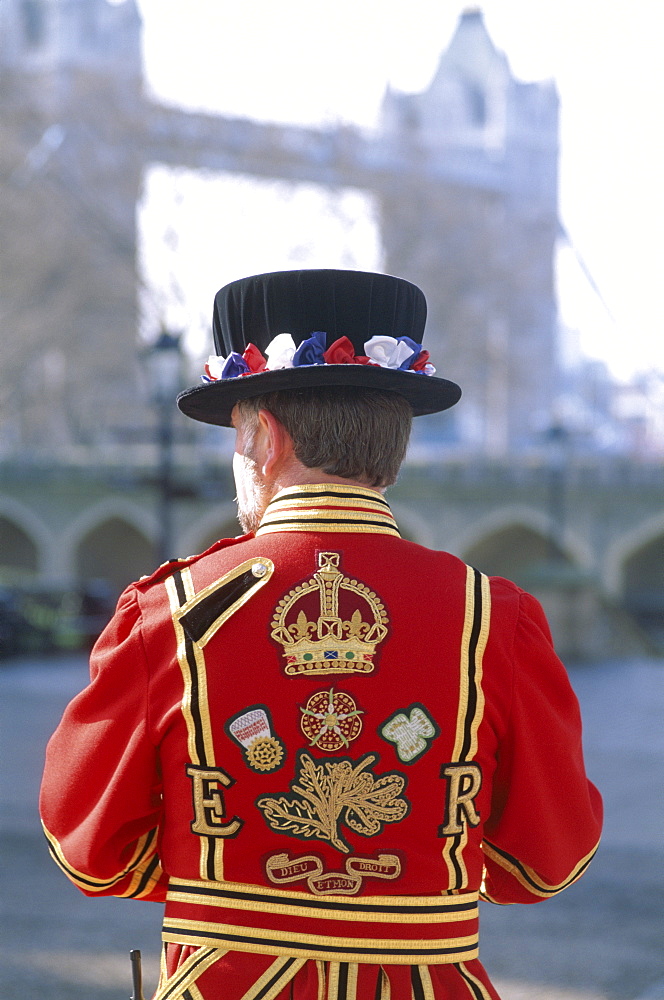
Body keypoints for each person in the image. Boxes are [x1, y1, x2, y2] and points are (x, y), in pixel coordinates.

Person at [40, 269, 602, 1000]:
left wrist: (217, 866)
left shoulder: (170, 611)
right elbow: (549, 860)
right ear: (395, 441)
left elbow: (91, 851)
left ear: (261, 438)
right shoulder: (493, 617)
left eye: (235, 435)